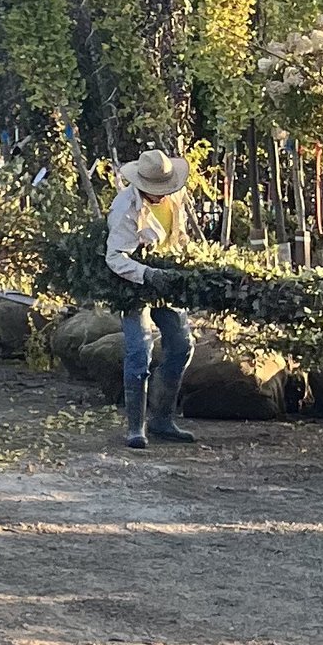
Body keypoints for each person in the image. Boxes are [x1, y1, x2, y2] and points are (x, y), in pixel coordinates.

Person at [108, 145, 197, 450]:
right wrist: (146, 274)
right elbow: (115, 257)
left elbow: (179, 237)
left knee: (182, 345)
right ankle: (136, 427)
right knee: (138, 352)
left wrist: (186, 264)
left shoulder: (174, 200)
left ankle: (162, 418)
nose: (161, 193)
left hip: (167, 282)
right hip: (134, 284)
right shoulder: (125, 209)